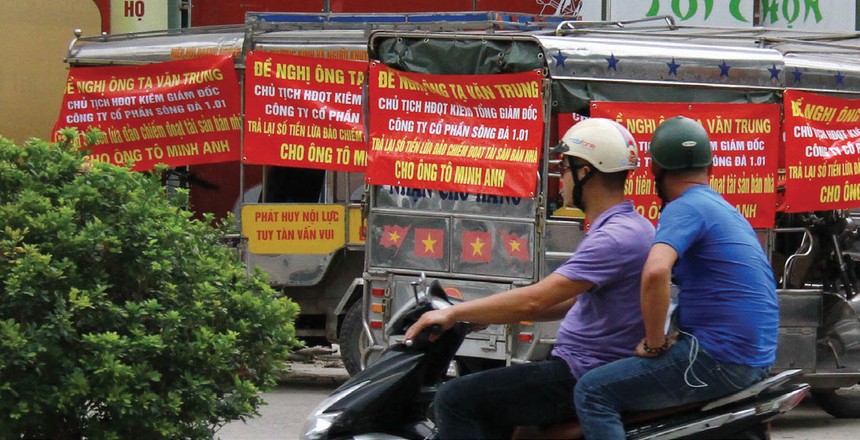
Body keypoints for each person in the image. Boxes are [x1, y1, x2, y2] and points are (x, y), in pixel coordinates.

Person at [403, 118, 655, 439]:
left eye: (564, 168)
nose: (561, 179)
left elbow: (535, 300)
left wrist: (454, 313)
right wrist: (485, 315)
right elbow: (567, 301)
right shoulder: (630, 226)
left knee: (454, 398)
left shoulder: (614, 238)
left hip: (581, 373)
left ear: (585, 172)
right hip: (584, 364)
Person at [573, 116, 780, 439]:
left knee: (593, 391)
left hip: (720, 359)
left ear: (654, 168)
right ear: (711, 168)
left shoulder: (684, 208)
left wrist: (654, 342)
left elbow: (656, 271)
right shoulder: (725, 209)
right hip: (754, 355)